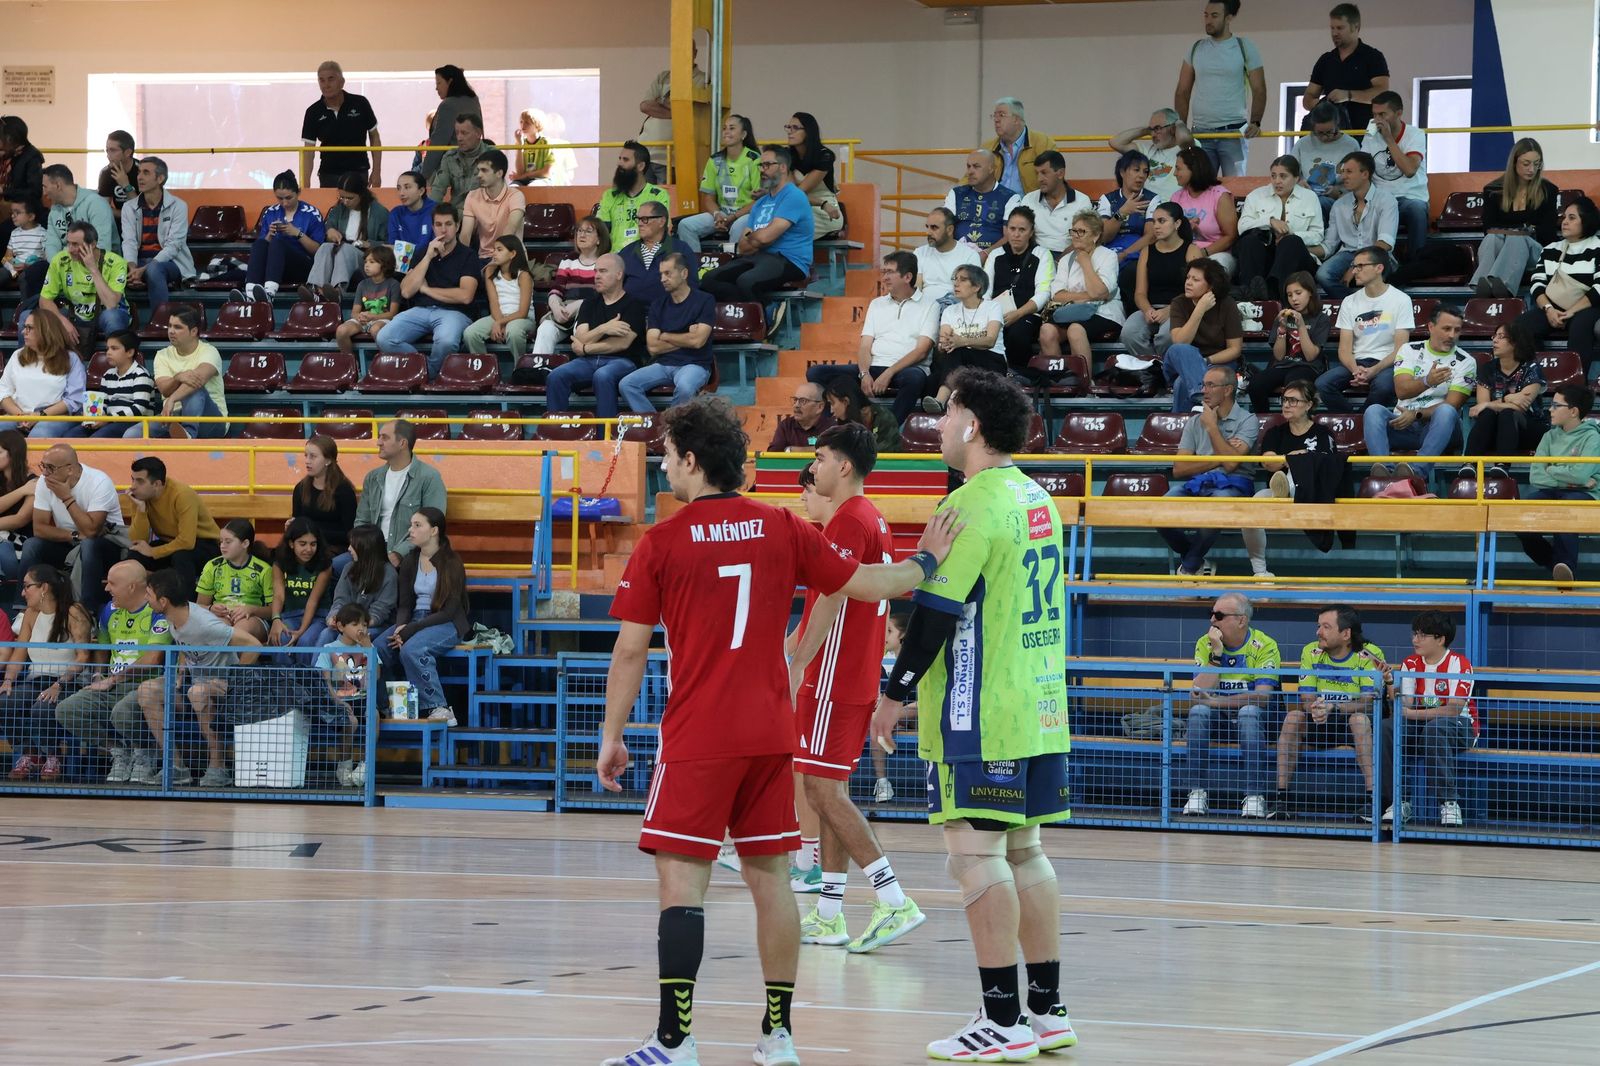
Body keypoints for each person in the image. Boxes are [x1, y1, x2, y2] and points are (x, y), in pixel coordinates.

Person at [598, 394, 960, 1066]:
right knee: (771, 883)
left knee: (682, 886)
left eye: (668, 456)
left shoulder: (662, 542)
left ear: (693, 461)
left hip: (699, 733)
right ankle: (778, 1037)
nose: (664, 468)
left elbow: (628, 651)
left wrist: (611, 734)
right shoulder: (782, 526)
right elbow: (864, 584)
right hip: (771, 731)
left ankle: (675, 1041)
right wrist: (927, 564)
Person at [863, 369, 1077, 1056]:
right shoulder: (1036, 495)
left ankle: (1002, 1022)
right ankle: (1046, 1011)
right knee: (1026, 852)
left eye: (948, 411)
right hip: (1039, 704)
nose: (939, 423)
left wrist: (893, 694)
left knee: (976, 858)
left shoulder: (970, 504)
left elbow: (932, 615)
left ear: (973, 425)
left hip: (979, 710)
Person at [786, 424, 925, 953]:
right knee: (829, 791)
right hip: (854, 673)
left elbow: (830, 597)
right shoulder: (872, 517)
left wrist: (799, 662)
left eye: (820, 456)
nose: (813, 467)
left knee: (821, 791)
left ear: (844, 466)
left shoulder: (848, 520)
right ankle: (829, 913)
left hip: (833, 674)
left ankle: (893, 899)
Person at [141, 567, 265, 787]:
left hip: (224, 689)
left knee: (197, 693)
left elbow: (254, 645)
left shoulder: (206, 626)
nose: (145, 598)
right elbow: (186, 643)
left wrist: (235, 682)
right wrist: (181, 670)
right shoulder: (173, 616)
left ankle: (218, 767)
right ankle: (176, 767)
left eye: (148, 594)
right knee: (147, 691)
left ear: (163, 601)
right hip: (193, 683)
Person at [52, 560, 171, 785]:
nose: (106, 588)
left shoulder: (156, 611)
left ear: (132, 587)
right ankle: (118, 751)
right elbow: (102, 647)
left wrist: (114, 679)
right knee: (67, 709)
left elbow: (153, 659)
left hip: (145, 687)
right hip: (112, 683)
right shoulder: (109, 610)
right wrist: (99, 675)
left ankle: (145, 753)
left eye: (112, 583)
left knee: (121, 712)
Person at [1275, 605, 1386, 819]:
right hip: (1319, 721)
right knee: (1293, 717)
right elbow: (1306, 697)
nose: (1318, 632)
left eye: (1326, 627)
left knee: (1360, 720)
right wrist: (1315, 708)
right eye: (1319, 626)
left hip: (1349, 724)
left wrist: (1335, 707)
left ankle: (1372, 801)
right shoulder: (1311, 651)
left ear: (1346, 633)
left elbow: (1368, 701)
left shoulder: (1369, 654)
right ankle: (1282, 799)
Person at [806, 252, 936, 425]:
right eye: (884, 272)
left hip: (906, 370)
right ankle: (837, 426)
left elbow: (921, 351)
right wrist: (864, 374)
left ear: (907, 277)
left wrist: (888, 373)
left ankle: (888, 428)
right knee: (816, 373)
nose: (885, 277)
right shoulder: (877, 304)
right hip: (874, 367)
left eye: (890, 272)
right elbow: (865, 346)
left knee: (915, 378)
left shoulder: (930, 305)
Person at [1181, 592, 1278, 817]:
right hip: (1221, 722)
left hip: (1258, 724)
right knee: (1198, 712)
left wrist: (1215, 701)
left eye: (1219, 615)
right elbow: (1197, 695)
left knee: (1249, 712)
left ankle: (1254, 796)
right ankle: (1196, 793)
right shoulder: (1205, 643)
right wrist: (1216, 655)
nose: (1212, 620)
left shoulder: (1264, 644)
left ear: (1241, 620)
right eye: (1211, 613)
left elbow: (1262, 697)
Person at [1159, 363, 1259, 575]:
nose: (1204, 391)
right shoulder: (1194, 422)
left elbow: (1231, 466)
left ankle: (1188, 568)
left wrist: (1212, 428)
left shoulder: (1248, 420)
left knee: (1216, 506)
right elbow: (1179, 469)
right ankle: (1195, 558)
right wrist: (1220, 458)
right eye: (1203, 385)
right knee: (1159, 511)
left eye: (1211, 385)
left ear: (1228, 389)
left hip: (1235, 485)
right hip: (1200, 483)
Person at [377, 507, 470, 725]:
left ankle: (439, 707)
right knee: (379, 648)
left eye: (417, 525)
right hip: (414, 619)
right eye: (411, 525)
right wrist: (400, 627)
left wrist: (410, 630)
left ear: (434, 530)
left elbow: (449, 611)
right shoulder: (410, 561)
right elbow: (405, 605)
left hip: (446, 622)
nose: (411, 530)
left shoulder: (452, 562)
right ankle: (385, 706)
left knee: (412, 649)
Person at [2, 563, 92, 782]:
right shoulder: (30, 614)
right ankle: (30, 753)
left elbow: (83, 657)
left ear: (44, 588)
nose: (23, 593)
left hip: (68, 682)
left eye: (27, 586)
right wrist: (8, 680)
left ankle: (53, 755)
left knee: (42, 706)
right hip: (36, 679)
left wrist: (59, 684)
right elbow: (19, 653)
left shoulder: (74, 612)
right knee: (4, 701)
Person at [1243, 379, 1343, 573]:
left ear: (1309, 405)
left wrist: (1292, 461)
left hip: (1313, 493)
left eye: (1293, 401)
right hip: (1276, 495)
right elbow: (1269, 463)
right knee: (1251, 509)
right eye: (1284, 400)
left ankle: (1288, 485)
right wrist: (1293, 457)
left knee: (1304, 466)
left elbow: (1327, 468)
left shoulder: (1322, 433)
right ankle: (1260, 572)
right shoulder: (1275, 433)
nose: (1286, 405)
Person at [1364, 305, 1473, 482]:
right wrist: (1427, 381)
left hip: (1439, 429)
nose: (1452, 335)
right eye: (1446, 329)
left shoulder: (1466, 361)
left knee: (1446, 412)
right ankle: (1383, 471)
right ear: (1431, 327)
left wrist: (1416, 414)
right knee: (1373, 411)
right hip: (1402, 425)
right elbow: (1402, 391)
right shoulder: (1409, 350)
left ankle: (1416, 472)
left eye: (1457, 330)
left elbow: (1452, 404)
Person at [1389, 611, 1475, 828]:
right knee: (1389, 728)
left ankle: (1449, 803)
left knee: (1434, 729)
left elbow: (1453, 709)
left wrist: (1411, 714)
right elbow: (1406, 703)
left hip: (1459, 726)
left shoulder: (1459, 664)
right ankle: (1398, 801)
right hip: (1422, 724)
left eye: (1422, 635)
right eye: (1414, 634)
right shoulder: (1410, 663)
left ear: (1440, 639)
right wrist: (1390, 683)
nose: (1415, 640)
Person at [376, 203, 480, 377]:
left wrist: (426, 290)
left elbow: (465, 296)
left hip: (455, 312)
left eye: (448, 224)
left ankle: (426, 375)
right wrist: (427, 257)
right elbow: (406, 291)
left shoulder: (468, 255)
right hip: (421, 310)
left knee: (446, 342)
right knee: (384, 337)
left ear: (457, 226)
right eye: (438, 224)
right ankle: (426, 370)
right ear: (433, 227)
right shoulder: (423, 253)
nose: (443, 230)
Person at [700, 145, 814, 304]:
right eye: (761, 165)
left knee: (746, 281)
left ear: (782, 167)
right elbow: (744, 247)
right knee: (710, 279)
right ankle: (747, 314)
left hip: (789, 260)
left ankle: (766, 315)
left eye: (767, 165)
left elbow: (765, 238)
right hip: (759, 257)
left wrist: (755, 236)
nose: (762, 170)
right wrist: (759, 237)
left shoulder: (794, 196)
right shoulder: (760, 203)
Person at [22, 445, 126, 616]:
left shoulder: (99, 481)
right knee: (32, 545)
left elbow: (91, 530)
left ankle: (87, 611)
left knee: (89, 544)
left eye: (50, 468)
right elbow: (39, 529)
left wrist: (66, 497)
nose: (45, 473)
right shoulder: (44, 482)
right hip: (71, 543)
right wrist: (75, 535)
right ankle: (24, 610)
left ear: (69, 469)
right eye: (43, 466)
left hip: (107, 546)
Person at [544, 252, 647, 419]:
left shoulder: (633, 305)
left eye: (603, 271)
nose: (597, 276)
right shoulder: (589, 303)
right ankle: (555, 432)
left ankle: (605, 434)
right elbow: (580, 337)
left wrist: (585, 348)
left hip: (623, 361)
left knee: (602, 375)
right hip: (588, 361)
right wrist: (603, 329)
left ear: (619, 274)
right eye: (596, 271)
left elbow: (622, 344)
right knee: (556, 376)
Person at [1174, 0, 1266, 178]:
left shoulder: (1244, 47)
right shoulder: (1196, 48)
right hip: (1200, 132)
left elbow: (1259, 89)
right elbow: (1182, 91)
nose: (1208, 20)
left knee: (1234, 186)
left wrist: (1256, 122)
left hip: (1233, 133)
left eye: (1214, 16)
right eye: (1206, 15)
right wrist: (1180, 126)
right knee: (1200, 185)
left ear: (1229, 18)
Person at [1518, 383, 1600, 583]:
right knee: (1520, 513)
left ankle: (1566, 567)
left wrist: (1552, 469)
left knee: (1566, 507)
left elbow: (1580, 474)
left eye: (1556, 406)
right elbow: (1536, 476)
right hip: (1567, 489)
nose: (1550, 409)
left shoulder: (1592, 437)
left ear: (1573, 411)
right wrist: (1572, 478)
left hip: (1587, 494)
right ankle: (1555, 564)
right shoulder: (1549, 436)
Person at [1317, 245, 1411, 412]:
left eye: (1360, 266)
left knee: (1383, 386)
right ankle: (1354, 419)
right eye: (1354, 266)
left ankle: (1362, 420)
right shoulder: (1349, 301)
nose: (1354, 271)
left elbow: (1400, 350)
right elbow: (1344, 349)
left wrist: (1373, 370)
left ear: (1379, 268)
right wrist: (1356, 370)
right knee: (1323, 384)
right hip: (1358, 363)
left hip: (1388, 363)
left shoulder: (1401, 300)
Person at [621, 252, 716, 413]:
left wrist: (665, 336)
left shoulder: (704, 300)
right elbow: (653, 347)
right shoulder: (658, 305)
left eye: (668, 273)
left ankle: (672, 425)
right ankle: (656, 423)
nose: (662, 279)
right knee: (627, 384)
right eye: (661, 274)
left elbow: (698, 342)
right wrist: (687, 337)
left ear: (684, 273)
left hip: (695, 364)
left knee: (685, 387)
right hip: (663, 364)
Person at [1516, 195, 1600, 375]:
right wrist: (1549, 309)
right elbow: (1537, 284)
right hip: (1552, 307)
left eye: (1572, 218)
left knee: (1581, 326)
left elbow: (1599, 288)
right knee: (1521, 326)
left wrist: (1571, 311)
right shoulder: (1550, 249)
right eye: (1564, 217)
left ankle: (1575, 383)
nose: (1564, 222)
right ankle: (1536, 377)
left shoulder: (1598, 247)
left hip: (1588, 307)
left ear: (1586, 221)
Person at [351, 419, 448, 568]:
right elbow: (361, 521)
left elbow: (432, 526)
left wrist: (399, 553)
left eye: (385, 438)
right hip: (371, 550)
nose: (378, 442)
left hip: (410, 553)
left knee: (385, 574)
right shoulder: (373, 477)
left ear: (402, 443)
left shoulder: (429, 477)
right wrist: (359, 545)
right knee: (338, 567)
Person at [1039, 212, 1123, 381]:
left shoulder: (1108, 256)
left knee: (1075, 329)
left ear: (1096, 235)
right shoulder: (1066, 260)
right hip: (1072, 313)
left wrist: (1085, 262)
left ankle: (1084, 384)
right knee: (1046, 331)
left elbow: (1100, 292)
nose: (1075, 235)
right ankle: (1058, 381)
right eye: (1073, 230)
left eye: (1081, 231)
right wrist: (1086, 297)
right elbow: (1057, 295)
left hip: (1104, 313)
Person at [1471, 138, 1560, 298]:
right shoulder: (1493, 190)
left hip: (1536, 251)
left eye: (1537, 164)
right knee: (1492, 238)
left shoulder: (1548, 190)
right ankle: (1482, 284)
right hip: (1502, 248)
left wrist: (1522, 232)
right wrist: (1520, 229)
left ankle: (1503, 286)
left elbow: (1548, 232)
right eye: (1526, 164)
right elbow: (1488, 228)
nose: (1532, 169)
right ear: (1514, 163)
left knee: (1517, 239)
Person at [30, 220, 130, 358]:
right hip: (74, 313)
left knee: (112, 317)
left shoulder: (116, 262)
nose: (70, 249)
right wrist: (61, 320)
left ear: (92, 245)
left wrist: (93, 268)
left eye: (75, 244)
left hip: (106, 313)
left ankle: (116, 366)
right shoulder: (60, 260)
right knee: (30, 319)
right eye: (68, 243)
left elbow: (111, 304)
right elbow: (44, 300)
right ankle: (29, 365)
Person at [126, 455, 222, 593]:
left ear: (157, 484)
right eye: (133, 479)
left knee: (182, 556)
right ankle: (139, 601)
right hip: (171, 544)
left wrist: (153, 552)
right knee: (135, 555)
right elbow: (138, 540)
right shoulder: (140, 497)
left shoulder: (182, 494)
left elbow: (187, 541)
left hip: (204, 544)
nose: (133, 486)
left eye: (140, 481)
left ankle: (186, 602)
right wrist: (141, 510)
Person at [1234, 155, 1324, 301]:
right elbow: (1242, 227)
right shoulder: (1256, 196)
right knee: (1249, 242)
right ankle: (1249, 295)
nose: (1277, 181)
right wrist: (1269, 221)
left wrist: (1290, 234)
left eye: (1283, 176)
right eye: (1273, 176)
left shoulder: (1309, 197)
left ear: (1296, 178)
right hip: (1266, 254)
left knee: (1291, 242)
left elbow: (1317, 235)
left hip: (1296, 257)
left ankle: (1276, 294)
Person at [1311, 152, 1398, 298]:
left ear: (1365, 174)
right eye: (1343, 172)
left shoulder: (1387, 200)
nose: (1343, 176)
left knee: (1372, 272)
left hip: (1377, 253)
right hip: (1348, 253)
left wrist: (1355, 266)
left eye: (1349, 172)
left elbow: (1385, 243)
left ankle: (1366, 301)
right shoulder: (1339, 205)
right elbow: (1328, 246)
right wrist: (1302, 249)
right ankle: (1351, 302)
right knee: (1323, 275)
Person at [1123, 202, 1202, 361]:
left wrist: (1170, 310)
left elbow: (1197, 292)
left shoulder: (1191, 250)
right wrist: (1147, 310)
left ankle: (1165, 370)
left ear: (1177, 224)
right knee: (1129, 333)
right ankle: (1152, 368)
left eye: (1162, 221)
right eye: (1154, 221)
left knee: (1167, 336)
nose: (1156, 226)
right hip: (1152, 308)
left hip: (1181, 307)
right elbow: (1140, 293)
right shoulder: (1147, 251)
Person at [1163, 259, 1243, 413]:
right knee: (1181, 349)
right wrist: (1199, 309)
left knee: (1182, 383)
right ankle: (1202, 397)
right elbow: (1180, 341)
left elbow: (1235, 349)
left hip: (1217, 363)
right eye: (1188, 278)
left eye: (1196, 279)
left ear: (1211, 286)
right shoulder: (1179, 303)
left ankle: (1185, 422)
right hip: (1182, 363)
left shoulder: (1227, 304)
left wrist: (1204, 361)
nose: (1188, 282)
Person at [1244, 273, 1330, 416]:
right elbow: (1278, 356)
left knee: (1293, 385)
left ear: (1310, 292)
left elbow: (1310, 356)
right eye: (1289, 295)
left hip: (1308, 367)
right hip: (1283, 365)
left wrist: (1301, 326)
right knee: (1256, 384)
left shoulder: (1321, 319)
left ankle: (1293, 421)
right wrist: (1282, 330)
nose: (1294, 299)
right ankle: (1265, 421)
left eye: (1298, 293)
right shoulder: (1283, 317)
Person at [925, 264, 1007, 413]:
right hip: (959, 362)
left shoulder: (992, 307)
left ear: (977, 287)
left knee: (957, 352)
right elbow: (944, 340)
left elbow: (990, 340)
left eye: (963, 280)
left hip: (991, 359)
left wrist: (961, 341)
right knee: (933, 375)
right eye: (955, 279)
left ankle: (941, 400)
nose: (956, 284)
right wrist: (945, 345)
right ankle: (944, 407)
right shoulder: (950, 311)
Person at [313, 602, 378, 787]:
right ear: (341, 626)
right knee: (351, 722)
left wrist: (369, 649)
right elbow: (325, 681)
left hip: (363, 698)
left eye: (364, 624)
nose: (361, 629)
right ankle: (344, 764)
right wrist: (338, 702)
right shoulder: (329, 648)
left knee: (374, 715)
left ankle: (366, 765)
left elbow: (377, 675)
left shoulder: (369, 648)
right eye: (355, 624)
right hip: (338, 700)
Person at [235, 171, 324, 304]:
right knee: (259, 244)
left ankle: (270, 293)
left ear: (298, 192)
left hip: (303, 266)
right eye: (280, 199)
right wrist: (269, 235)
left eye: (289, 198)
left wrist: (297, 233)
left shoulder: (311, 214)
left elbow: (318, 251)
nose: (284, 203)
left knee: (278, 243)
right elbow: (263, 248)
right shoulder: (271, 212)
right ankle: (250, 292)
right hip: (275, 267)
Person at [983, 206, 1054, 370]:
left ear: (1031, 232)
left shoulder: (1042, 255)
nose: (1016, 234)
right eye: (1012, 229)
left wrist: (1018, 313)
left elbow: (1044, 293)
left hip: (1028, 313)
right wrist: (990, 314)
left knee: (1018, 334)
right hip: (996, 314)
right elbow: (985, 290)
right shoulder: (995, 255)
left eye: (1022, 230)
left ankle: (1020, 375)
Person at [678, 115, 761, 253]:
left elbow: (759, 200)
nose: (726, 132)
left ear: (743, 135)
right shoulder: (714, 160)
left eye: (732, 128)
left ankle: (731, 264)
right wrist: (717, 215)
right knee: (685, 225)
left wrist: (734, 217)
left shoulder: (754, 160)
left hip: (746, 214)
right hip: (722, 214)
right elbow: (708, 197)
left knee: (737, 227)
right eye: (724, 128)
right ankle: (695, 264)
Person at [530, 215, 607, 362]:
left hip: (592, 311)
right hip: (565, 311)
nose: (582, 235)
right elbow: (556, 290)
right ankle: (537, 368)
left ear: (599, 239)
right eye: (579, 231)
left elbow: (604, 295)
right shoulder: (569, 260)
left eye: (588, 231)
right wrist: (555, 307)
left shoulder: (605, 260)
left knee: (582, 330)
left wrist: (578, 305)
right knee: (546, 328)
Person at [301, 171, 389, 300]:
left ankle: (338, 290)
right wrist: (330, 231)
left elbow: (388, 244)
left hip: (366, 257)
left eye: (350, 198)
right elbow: (329, 227)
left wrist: (369, 244)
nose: (345, 202)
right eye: (342, 197)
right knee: (325, 247)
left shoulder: (379, 213)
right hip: (340, 251)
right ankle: (315, 289)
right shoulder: (338, 210)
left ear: (362, 194)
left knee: (345, 249)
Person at [1361, 91, 1429, 259]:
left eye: (1383, 114)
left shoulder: (1415, 134)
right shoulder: (1371, 134)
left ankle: (1416, 263)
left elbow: (1410, 170)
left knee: (1417, 210)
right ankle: (1371, 263)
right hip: (1380, 198)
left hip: (1410, 198)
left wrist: (1388, 139)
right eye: (1375, 115)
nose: (1377, 120)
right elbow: (1363, 167)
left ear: (1399, 113)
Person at [1302, 4, 1390, 132]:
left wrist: (1348, 95)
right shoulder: (1325, 60)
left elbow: (1382, 93)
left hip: (1364, 134)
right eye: (1332, 28)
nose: (1334, 33)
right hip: (1331, 136)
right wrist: (1322, 105)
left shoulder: (1372, 57)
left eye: (1340, 28)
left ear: (1356, 27)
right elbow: (1308, 97)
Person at [120, 157, 192, 312]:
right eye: (139, 172)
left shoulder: (178, 206)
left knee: (154, 270)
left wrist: (144, 269)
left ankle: (159, 320)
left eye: (146, 173)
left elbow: (173, 246)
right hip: (138, 262)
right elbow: (129, 241)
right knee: (113, 268)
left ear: (160, 179)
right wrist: (132, 269)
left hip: (170, 263)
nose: (139, 177)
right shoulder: (129, 207)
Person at [1465, 321, 1545, 460]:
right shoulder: (1487, 369)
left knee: (1508, 413)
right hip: (1496, 430)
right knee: (1488, 414)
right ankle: (1469, 463)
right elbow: (1481, 407)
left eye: (1501, 336)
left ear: (1516, 342)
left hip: (1528, 430)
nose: (1495, 340)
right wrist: (1508, 399)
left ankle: (1502, 465)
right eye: (1494, 336)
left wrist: (1492, 403)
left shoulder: (1532, 369)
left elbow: (1521, 407)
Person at [313, 523, 397, 651]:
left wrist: (354, 625)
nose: (349, 549)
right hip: (348, 623)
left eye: (353, 545)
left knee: (346, 638)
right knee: (327, 634)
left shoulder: (389, 574)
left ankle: (343, 665)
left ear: (365, 547)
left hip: (375, 626)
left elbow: (379, 612)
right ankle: (319, 665)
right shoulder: (348, 568)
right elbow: (340, 600)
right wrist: (334, 617)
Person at [0, 312, 86, 435]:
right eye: (24, 327)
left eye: (29, 328)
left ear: (46, 331)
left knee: (40, 433)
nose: (23, 332)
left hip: (55, 416)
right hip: (19, 414)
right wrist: (20, 415)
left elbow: (74, 399)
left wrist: (39, 415)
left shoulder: (70, 359)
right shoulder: (17, 355)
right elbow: (3, 391)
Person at [300, 61, 381, 189]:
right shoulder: (313, 111)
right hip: (329, 175)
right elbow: (308, 152)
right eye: (322, 80)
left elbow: (374, 137)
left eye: (331, 79)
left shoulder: (361, 103)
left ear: (342, 82)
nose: (326, 85)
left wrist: (376, 172)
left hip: (358, 173)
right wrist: (305, 185)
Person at [150, 306, 228, 439]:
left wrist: (173, 399)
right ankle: (183, 435)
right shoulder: (162, 355)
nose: (171, 331)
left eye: (177, 327)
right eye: (169, 326)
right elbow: (164, 390)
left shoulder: (210, 351)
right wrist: (178, 377)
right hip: (173, 417)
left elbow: (198, 380)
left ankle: (188, 434)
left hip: (210, 420)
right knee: (132, 434)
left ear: (193, 331)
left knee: (195, 388)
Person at [36, 165, 120, 288]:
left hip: (98, 266)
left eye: (45, 186)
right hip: (66, 265)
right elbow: (51, 245)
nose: (43, 192)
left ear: (58, 185)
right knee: (34, 273)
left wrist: (68, 260)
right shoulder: (54, 211)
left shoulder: (96, 204)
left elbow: (101, 246)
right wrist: (60, 266)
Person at [195, 518, 273, 641]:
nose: (222, 546)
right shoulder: (212, 566)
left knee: (239, 631)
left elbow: (273, 611)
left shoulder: (263, 570)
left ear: (245, 544)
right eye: (221, 542)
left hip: (253, 619)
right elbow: (199, 606)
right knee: (218, 629)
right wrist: (211, 608)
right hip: (222, 617)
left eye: (228, 542)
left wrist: (251, 609)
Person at [67, 329, 153, 439]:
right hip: (109, 420)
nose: (108, 352)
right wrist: (96, 417)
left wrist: (108, 419)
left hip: (132, 422)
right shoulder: (108, 375)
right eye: (107, 348)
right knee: (70, 436)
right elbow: (104, 403)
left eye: (114, 348)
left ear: (130, 352)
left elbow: (139, 409)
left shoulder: (141, 374)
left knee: (98, 439)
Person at [1167, 146, 1238, 277]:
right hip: (1184, 252)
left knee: (1208, 272)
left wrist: (1202, 253)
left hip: (1216, 254)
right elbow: (1169, 234)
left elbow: (1230, 236)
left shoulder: (1219, 195)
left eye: (1178, 168)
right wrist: (1185, 229)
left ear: (1193, 169)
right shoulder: (1176, 197)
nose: (1175, 173)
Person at [636, 56, 707, 185]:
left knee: (666, 196)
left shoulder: (703, 79)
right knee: (642, 196)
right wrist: (677, 112)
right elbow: (645, 106)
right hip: (645, 152)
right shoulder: (664, 76)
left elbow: (692, 111)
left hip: (670, 158)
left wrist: (659, 104)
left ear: (695, 53)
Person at [268, 516, 332, 659]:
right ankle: (284, 674)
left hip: (318, 616)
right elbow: (278, 595)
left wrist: (301, 631)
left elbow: (313, 601)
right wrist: (276, 619)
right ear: (291, 544)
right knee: (282, 638)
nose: (308, 549)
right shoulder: (280, 563)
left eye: (313, 544)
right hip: (290, 615)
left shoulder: (325, 565)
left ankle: (305, 674)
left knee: (306, 641)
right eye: (302, 544)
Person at [463, 235, 535, 359]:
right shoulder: (490, 271)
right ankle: (484, 367)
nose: (494, 253)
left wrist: (500, 323)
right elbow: (494, 302)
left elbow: (523, 312)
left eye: (499, 250)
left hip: (523, 319)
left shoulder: (524, 275)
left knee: (514, 331)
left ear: (512, 254)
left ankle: (520, 366)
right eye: (494, 249)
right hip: (498, 316)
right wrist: (499, 322)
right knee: (470, 333)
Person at [1012, 151, 1095, 257]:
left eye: (1044, 173)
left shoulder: (1081, 201)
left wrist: (1060, 260)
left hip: (1070, 256)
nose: (1039, 179)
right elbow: (1022, 235)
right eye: (1037, 173)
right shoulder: (1029, 199)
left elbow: (1084, 239)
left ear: (1060, 173)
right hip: (1036, 256)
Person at [618, 201, 695, 307]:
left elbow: (692, 286)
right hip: (631, 312)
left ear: (661, 221)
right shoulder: (626, 252)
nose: (640, 224)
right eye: (638, 219)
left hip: (670, 312)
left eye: (645, 219)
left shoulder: (681, 249)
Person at [1096, 151, 1158, 283]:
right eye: (1136, 170)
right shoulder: (1107, 199)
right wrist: (1122, 213)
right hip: (1109, 250)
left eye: (1145, 171)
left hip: (1138, 252)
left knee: (1131, 272)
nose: (1141, 175)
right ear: (1122, 172)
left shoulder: (1152, 199)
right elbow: (1104, 236)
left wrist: (1125, 254)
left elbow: (1151, 236)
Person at [293, 435, 358, 558]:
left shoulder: (344, 491)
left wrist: (315, 533)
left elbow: (349, 533)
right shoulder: (300, 488)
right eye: (306, 455)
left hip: (334, 547)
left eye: (313, 456)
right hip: (306, 546)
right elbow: (298, 522)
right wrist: (292, 526)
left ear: (328, 460)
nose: (307, 461)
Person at [598, 141, 670, 251]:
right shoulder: (610, 195)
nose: (619, 163)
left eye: (625, 160)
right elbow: (601, 232)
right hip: (614, 257)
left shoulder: (659, 195)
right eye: (620, 158)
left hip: (645, 255)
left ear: (641, 166)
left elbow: (661, 232)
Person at [868, 609, 909, 802]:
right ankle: (883, 783)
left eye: (889, 631)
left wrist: (896, 713)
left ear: (903, 635)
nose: (884, 636)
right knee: (876, 723)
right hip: (891, 717)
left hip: (918, 712)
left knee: (880, 719)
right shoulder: (881, 662)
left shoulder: (915, 661)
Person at [1295, 103, 1361, 220]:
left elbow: (1359, 181)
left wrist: (1338, 192)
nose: (1325, 137)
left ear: (1337, 124)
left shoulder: (1351, 145)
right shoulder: (1302, 144)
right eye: (1320, 133)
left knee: (1319, 204)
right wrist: (1299, 183)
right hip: (1307, 197)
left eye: (1330, 132)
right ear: (1313, 128)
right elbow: (1289, 171)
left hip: (1339, 200)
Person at [942, 149, 1018, 249]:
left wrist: (985, 254)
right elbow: (944, 229)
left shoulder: (1010, 197)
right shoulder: (956, 193)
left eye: (976, 166)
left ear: (991, 169)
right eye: (968, 166)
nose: (970, 172)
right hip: (959, 253)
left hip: (993, 255)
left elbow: (1009, 236)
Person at [333, 245, 402, 355]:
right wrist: (360, 317)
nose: (366, 265)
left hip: (383, 320)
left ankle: (387, 359)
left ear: (384, 264)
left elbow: (392, 314)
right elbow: (354, 312)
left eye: (372, 262)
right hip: (365, 320)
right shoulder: (362, 284)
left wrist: (373, 317)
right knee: (341, 331)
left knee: (375, 329)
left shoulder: (393, 284)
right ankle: (350, 362)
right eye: (365, 262)